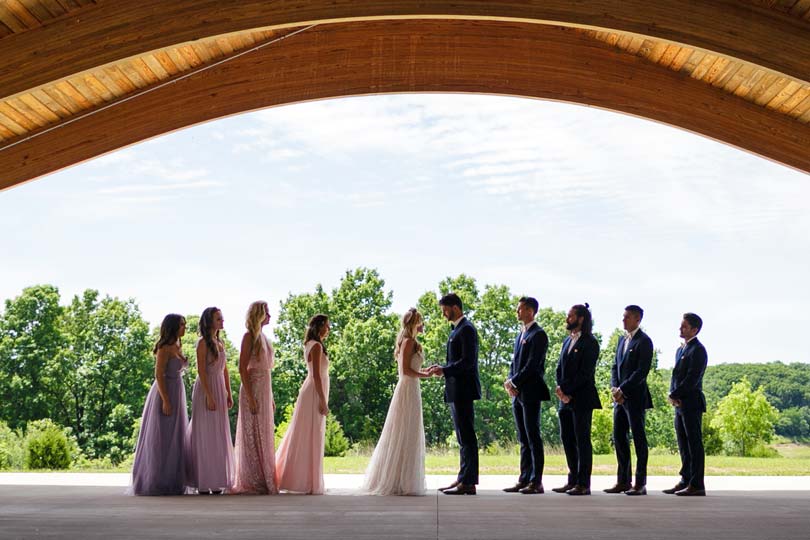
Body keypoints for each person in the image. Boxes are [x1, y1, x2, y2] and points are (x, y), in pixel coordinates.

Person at [363, 308, 431, 495]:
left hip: (412, 388)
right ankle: (398, 479)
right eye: (420, 321)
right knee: (404, 429)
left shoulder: (412, 342)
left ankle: (405, 477)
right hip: (407, 388)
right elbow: (406, 371)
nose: (422, 325)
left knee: (409, 431)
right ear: (414, 324)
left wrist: (426, 371)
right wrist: (427, 375)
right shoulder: (408, 342)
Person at [427, 293, 481, 495]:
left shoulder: (466, 329)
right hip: (456, 390)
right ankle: (463, 477)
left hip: (464, 390)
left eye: (445, 310)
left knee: (467, 436)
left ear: (455, 308)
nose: (443, 314)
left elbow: (468, 362)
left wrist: (445, 370)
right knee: (462, 437)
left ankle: (469, 482)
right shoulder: (456, 330)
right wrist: (443, 368)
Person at [130, 314, 189, 495]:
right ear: (173, 327)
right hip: (165, 392)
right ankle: (156, 481)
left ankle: (173, 480)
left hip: (178, 391)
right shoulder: (164, 348)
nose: (184, 328)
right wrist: (165, 400)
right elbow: (159, 375)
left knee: (175, 436)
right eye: (181, 325)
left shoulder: (178, 345)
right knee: (161, 437)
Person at [275, 314, 331, 494]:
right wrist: (322, 400)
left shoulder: (311, 345)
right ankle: (305, 480)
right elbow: (315, 375)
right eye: (327, 326)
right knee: (310, 432)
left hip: (313, 390)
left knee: (307, 433)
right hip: (314, 392)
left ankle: (306, 478)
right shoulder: (315, 346)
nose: (329, 329)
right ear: (320, 326)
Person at [502, 296, 549, 495]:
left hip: (531, 392)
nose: (517, 312)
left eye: (520, 309)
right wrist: (510, 381)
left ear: (530, 311)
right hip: (518, 393)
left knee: (533, 436)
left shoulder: (539, 335)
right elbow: (516, 363)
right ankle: (524, 478)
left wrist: (515, 382)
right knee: (523, 438)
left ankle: (536, 481)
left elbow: (533, 365)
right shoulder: (520, 334)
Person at [605, 305, 653, 496]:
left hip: (635, 398)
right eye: (623, 316)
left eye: (626, 317)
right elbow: (615, 367)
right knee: (619, 437)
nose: (623, 320)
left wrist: (623, 389)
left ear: (637, 319)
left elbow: (641, 372)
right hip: (619, 399)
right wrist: (615, 388)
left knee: (639, 439)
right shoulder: (621, 340)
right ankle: (623, 480)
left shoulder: (644, 341)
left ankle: (640, 483)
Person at [553, 303, 601, 496]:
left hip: (581, 398)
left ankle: (583, 483)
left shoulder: (590, 342)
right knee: (567, 439)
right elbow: (559, 368)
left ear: (581, 319)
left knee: (582, 440)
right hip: (564, 399)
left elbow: (585, 373)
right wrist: (561, 391)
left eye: (570, 316)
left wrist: (567, 390)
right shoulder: (567, 341)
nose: (567, 319)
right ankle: (572, 478)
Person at [187, 307, 235, 494]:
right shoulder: (202, 343)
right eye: (218, 318)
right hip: (206, 388)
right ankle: (203, 481)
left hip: (219, 387)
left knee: (218, 434)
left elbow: (224, 370)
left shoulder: (220, 342)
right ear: (209, 321)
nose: (222, 321)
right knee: (205, 433)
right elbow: (201, 370)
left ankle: (216, 480)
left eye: (222, 318)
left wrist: (228, 393)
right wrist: (209, 395)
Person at [233, 301, 278, 494]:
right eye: (266, 313)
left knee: (265, 432)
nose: (270, 316)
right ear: (258, 315)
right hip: (252, 388)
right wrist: (250, 397)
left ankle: (266, 476)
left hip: (265, 389)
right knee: (252, 432)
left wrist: (271, 398)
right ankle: (252, 479)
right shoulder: (248, 337)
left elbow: (267, 370)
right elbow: (242, 368)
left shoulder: (264, 338)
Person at [665, 312, 708, 497]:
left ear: (694, 329)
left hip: (691, 403)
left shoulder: (698, 350)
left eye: (684, 326)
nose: (680, 329)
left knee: (694, 444)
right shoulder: (680, 349)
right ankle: (686, 479)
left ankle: (697, 484)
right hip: (679, 404)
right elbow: (676, 376)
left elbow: (693, 377)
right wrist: (673, 395)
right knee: (683, 443)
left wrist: (676, 393)